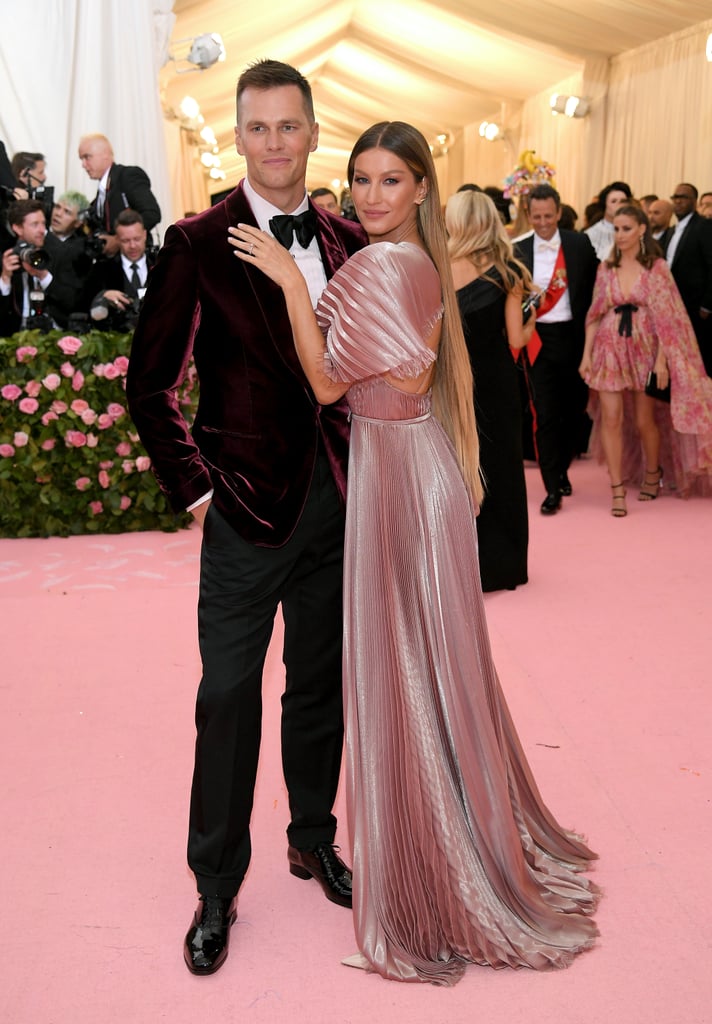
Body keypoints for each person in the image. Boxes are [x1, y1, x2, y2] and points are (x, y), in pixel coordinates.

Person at [229, 120, 600, 986]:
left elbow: (329, 383)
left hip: (400, 476)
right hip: (404, 468)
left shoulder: (391, 263)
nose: (370, 195)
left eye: (391, 180)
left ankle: (442, 864)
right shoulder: (413, 261)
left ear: (423, 189)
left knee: (407, 668)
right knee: (424, 668)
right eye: (360, 179)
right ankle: (449, 835)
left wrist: (287, 279)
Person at [126, 59, 367, 978]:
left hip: (338, 505)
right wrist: (197, 489)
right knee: (226, 699)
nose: (275, 144)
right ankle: (216, 885)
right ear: (238, 136)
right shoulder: (196, 241)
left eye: (290, 126)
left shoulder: (348, 236)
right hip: (243, 510)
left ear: (314, 132)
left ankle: (313, 837)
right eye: (258, 128)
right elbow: (149, 384)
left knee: (319, 685)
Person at [579, 204, 712, 513]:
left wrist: (662, 361)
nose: (620, 235)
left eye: (626, 228)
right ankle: (617, 491)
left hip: (646, 351)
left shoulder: (657, 268)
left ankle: (653, 473)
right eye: (616, 229)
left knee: (643, 421)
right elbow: (595, 314)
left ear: (641, 229)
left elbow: (671, 317)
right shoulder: (605, 268)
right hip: (609, 350)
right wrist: (586, 355)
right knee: (611, 419)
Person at [446, 189, 533, 592]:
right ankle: (503, 565)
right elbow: (517, 339)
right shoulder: (510, 271)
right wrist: (534, 312)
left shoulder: (436, 263)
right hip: (495, 380)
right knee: (501, 467)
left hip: (448, 379)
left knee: (455, 466)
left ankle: (453, 565)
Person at [515, 184, 598, 514]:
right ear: (528, 215)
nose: (543, 222)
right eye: (536, 217)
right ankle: (552, 487)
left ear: (560, 213)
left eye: (549, 216)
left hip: (576, 340)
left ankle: (563, 468)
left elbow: (597, 284)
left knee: (574, 411)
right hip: (539, 342)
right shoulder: (518, 250)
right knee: (545, 414)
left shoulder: (579, 244)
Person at [0, 198, 77, 333]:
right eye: (35, 224)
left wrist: (43, 276)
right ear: (17, 228)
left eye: (43, 224)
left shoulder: (60, 252)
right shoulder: (6, 255)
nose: (42, 230)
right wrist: (5, 279)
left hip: (53, 332)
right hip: (14, 333)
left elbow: (72, 301)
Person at [78, 133, 161, 256]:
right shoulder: (102, 191)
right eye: (81, 159)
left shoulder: (128, 176)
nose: (83, 165)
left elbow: (151, 214)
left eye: (87, 157)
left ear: (105, 154)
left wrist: (118, 240)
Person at [665, 182, 712, 376]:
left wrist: (707, 304)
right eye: (675, 197)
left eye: (683, 197)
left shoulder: (704, 226)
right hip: (673, 305)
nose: (678, 202)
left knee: (698, 360)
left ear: (694, 201)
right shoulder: (672, 230)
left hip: (696, 307)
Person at [84, 209, 156, 330]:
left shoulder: (162, 265)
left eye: (137, 239)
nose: (132, 246)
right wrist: (102, 296)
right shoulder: (101, 269)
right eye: (126, 241)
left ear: (144, 235)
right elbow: (83, 306)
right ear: (117, 239)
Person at [584, 181, 632, 260]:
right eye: (614, 201)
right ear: (604, 205)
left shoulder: (636, 229)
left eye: (623, 201)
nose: (619, 205)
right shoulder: (591, 234)